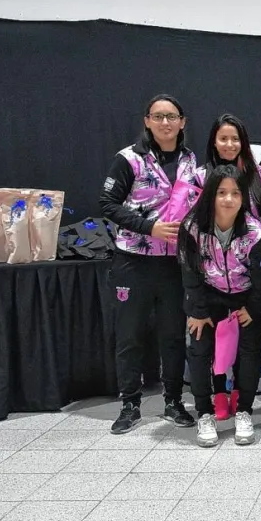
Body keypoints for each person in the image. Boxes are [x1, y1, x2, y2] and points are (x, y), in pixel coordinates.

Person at [99, 93, 197, 434]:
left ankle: (173, 401)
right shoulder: (129, 159)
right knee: (130, 335)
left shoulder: (190, 159)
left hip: (173, 263)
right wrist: (150, 227)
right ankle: (129, 403)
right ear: (147, 121)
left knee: (172, 334)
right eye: (158, 116)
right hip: (134, 261)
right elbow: (108, 204)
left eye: (172, 116)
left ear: (182, 122)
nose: (165, 123)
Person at [184, 113, 261, 420]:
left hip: (247, 272)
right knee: (208, 342)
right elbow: (189, 266)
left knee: (245, 345)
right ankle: (213, 399)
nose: (230, 144)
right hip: (211, 283)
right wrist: (197, 307)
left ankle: (241, 400)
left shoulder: (259, 175)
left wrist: (256, 303)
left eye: (236, 138)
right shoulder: (197, 182)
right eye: (223, 138)